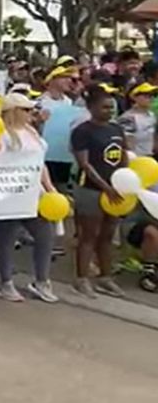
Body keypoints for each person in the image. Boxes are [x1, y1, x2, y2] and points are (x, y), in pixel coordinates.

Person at [0, 93, 61, 303]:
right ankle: (6, 282)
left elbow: (40, 164)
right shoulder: (2, 134)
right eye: (26, 110)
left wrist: (50, 188)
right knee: (6, 237)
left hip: (35, 192)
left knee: (45, 235)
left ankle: (42, 280)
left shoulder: (32, 133)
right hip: (10, 193)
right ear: (14, 111)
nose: (31, 113)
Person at [70, 86, 128, 299]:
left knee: (107, 235)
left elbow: (123, 155)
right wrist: (105, 187)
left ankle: (106, 277)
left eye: (111, 107)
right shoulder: (82, 131)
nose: (109, 111)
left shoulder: (116, 129)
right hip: (91, 190)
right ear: (91, 107)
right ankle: (82, 278)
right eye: (104, 107)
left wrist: (124, 180)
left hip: (116, 190)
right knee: (89, 235)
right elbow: (85, 164)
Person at [117, 82, 157, 158]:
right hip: (136, 158)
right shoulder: (128, 118)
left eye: (152, 95)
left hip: (150, 157)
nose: (151, 98)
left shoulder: (151, 115)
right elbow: (127, 143)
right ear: (134, 97)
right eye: (146, 96)